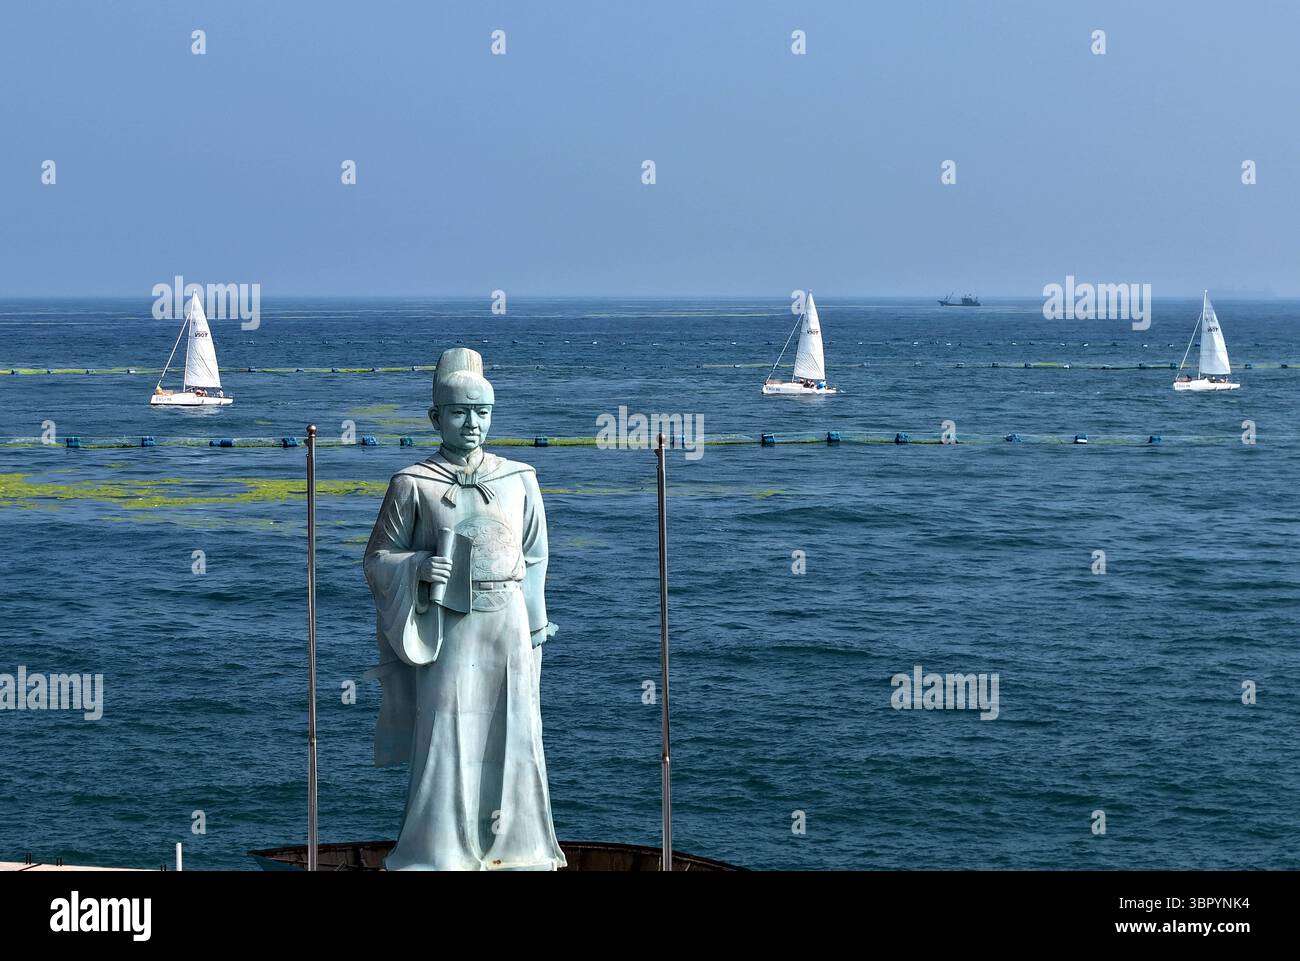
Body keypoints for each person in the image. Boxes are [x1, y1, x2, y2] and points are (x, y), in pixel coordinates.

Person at [363, 347, 565, 871]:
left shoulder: (518, 476)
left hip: (509, 623)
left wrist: (537, 624)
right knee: (446, 730)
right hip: (447, 627)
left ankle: (519, 847)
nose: (472, 423)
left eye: (482, 412)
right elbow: (377, 558)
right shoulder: (413, 483)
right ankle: (439, 850)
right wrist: (419, 567)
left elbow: (537, 554)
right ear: (436, 417)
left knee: (515, 729)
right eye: (458, 412)